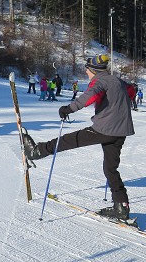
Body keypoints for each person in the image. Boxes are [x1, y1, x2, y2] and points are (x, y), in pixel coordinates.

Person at [22, 54, 136, 220]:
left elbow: (89, 97)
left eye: (87, 71)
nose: (87, 73)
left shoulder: (100, 81)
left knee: (67, 140)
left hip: (105, 130)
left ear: (92, 70)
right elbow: (131, 90)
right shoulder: (117, 80)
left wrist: (68, 108)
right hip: (121, 131)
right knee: (110, 169)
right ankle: (121, 206)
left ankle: (37, 151)